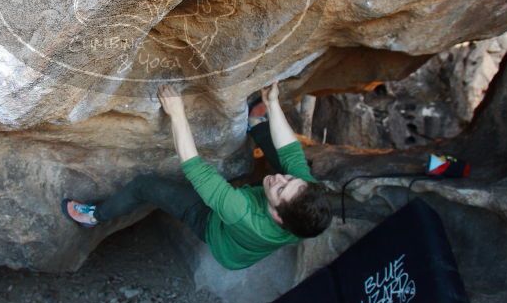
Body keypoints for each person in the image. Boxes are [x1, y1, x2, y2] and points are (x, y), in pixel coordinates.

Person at [62, 83, 331, 270]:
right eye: (291, 180)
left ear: (277, 216)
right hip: (255, 229)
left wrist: (177, 114)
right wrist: (272, 104)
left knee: (145, 186)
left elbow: (197, 171)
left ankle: (94, 216)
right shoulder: (303, 212)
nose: (280, 179)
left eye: (281, 189)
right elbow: (291, 153)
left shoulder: (242, 213)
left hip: (214, 229)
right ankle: (255, 123)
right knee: (289, 163)